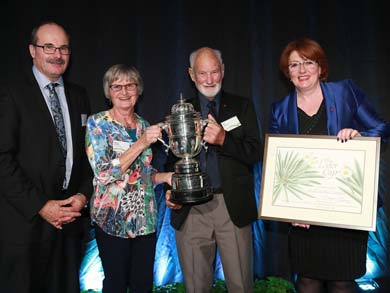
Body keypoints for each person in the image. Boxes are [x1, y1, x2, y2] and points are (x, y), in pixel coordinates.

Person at [269, 37, 390, 293]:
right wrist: (289, 210)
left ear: (320, 67)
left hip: (344, 211)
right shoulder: (280, 110)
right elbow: (278, 166)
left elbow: (381, 128)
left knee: (342, 281)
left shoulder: (345, 92)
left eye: (308, 62)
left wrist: (360, 137)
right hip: (304, 218)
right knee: (307, 281)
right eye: (294, 65)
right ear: (287, 72)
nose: (302, 70)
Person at [0, 21, 93, 293]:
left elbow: (88, 155)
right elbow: (2, 159)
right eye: (48, 46)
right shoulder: (11, 93)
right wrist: (41, 206)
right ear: (32, 51)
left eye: (63, 48)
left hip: (68, 227)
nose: (57, 54)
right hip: (25, 227)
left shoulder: (79, 95)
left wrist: (83, 196)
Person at [165, 47, 262, 292]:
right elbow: (170, 161)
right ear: (191, 74)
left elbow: (255, 153)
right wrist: (173, 190)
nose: (209, 79)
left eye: (215, 72)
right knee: (196, 286)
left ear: (223, 71)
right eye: (202, 73)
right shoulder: (181, 111)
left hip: (233, 209)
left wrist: (224, 140)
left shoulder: (242, 106)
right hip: (191, 209)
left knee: (240, 284)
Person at [85, 64, 173, 293]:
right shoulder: (98, 124)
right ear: (108, 91)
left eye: (130, 85)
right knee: (115, 285)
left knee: (142, 285)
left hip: (145, 219)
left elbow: (142, 173)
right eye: (117, 86)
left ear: (138, 89)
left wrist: (166, 177)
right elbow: (103, 173)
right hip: (112, 219)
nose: (124, 92)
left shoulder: (143, 124)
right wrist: (142, 142)